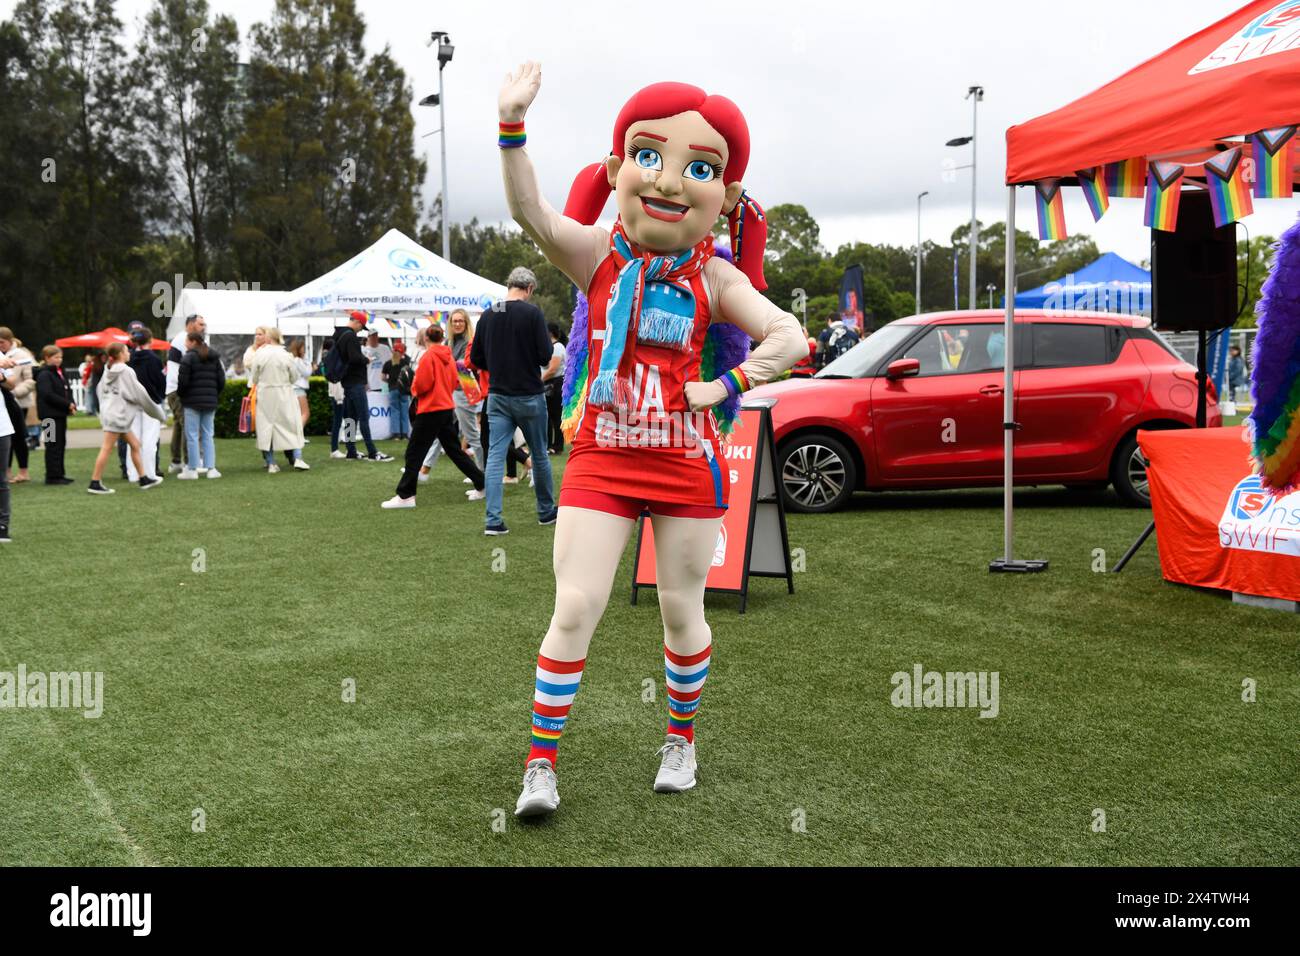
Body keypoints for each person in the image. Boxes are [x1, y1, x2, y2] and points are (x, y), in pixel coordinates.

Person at [498, 66, 805, 816]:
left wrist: (726, 387)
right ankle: (541, 765)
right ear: (614, 171)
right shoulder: (598, 257)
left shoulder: (717, 278)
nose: (670, 182)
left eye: (700, 169)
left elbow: (791, 334)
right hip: (603, 459)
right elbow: (531, 211)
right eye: (650, 156)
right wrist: (512, 126)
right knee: (574, 606)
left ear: (726, 199)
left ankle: (681, 742)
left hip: (683, 463)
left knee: (680, 609)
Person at [470, 266, 555, 535]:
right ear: (529, 289)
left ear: (509, 285)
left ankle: (493, 520)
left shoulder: (489, 314)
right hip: (529, 393)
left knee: (495, 457)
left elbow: (476, 359)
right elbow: (545, 356)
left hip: (497, 395)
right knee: (539, 453)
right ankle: (545, 511)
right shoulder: (532, 313)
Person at [381, 326, 485, 509]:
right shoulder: (448, 356)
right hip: (446, 408)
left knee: (414, 453)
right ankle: (482, 484)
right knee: (454, 451)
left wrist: (414, 389)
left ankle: (406, 496)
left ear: (425, 338)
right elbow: (455, 381)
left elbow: (421, 384)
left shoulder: (428, 357)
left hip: (430, 409)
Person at [88, 343, 165, 493]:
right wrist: (158, 413)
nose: (129, 353)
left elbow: (99, 390)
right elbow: (139, 393)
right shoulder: (126, 371)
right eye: (126, 350)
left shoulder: (108, 369)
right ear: (120, 354)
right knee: (107, 448)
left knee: (135, 445)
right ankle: (95, 482)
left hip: (113, 415)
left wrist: (103, 410)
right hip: (119, 416)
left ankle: (143, 479)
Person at [248, 327, 309, 474]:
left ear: (268, 338)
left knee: (266, 428)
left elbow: (254, 377)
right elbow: (294, 377)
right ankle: (298, 458)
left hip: (265, 395)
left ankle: (271, 463)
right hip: (285, 393)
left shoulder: (260, 354)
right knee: (292, 424)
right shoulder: (286, 355)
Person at [334, 312, 393, 462]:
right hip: (355, 382)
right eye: (361, 327)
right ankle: (372, 452)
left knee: (350, 418)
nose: (361, 331)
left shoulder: (340, 334)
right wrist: (366, 359)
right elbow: (354, 358)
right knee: (363, 418)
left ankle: (351, 450)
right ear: (359, 323)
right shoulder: (350, 336)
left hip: (347, 382)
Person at [177, 331, 226, 479]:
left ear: (192, 341)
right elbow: (221, 381)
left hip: (191, 402)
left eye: (186, 340)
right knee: (208, 435)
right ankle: (211, 468)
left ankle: (192, 469)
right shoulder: (214, 357)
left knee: (191, 436)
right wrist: (213, 394)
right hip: (210, 401)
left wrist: (182, 396)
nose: (185, 342)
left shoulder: (188, 358)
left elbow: (183, 383)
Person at [123, 321, 166, 483]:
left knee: (133, 440)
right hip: (151, 402)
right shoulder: (154, 359)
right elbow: (161, 382)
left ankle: (133, 473)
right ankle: (148, 473)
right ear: (151, 340)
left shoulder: (130, 358)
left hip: (132, 402)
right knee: (149, 440)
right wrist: (159, 396)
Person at [165, 314, 207, 473]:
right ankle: (191, 463)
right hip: (179, 389)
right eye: (200, 324)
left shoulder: (181, 338)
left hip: (174, 388)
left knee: (179, 425)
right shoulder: (185, 339)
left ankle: (176, 462)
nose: (203, 327)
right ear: (190, 325)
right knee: (188, 425)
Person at [35, 346, 75, 485]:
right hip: (49, 417)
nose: (59, 360)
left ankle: (59, 473)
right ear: (47, 358)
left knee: (60, 444)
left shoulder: (59, 372)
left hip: (59, 415)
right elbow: (47, 394)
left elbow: (66, 390)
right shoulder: (44, 374)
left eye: (60, 357)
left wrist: (71, 403)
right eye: (56, 357)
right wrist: (66, 404)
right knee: (52, 444)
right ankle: (52, 476)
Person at [0, 329, 34, 484]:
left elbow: (30, 380)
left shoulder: (23, 355)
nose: (1, 346)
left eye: (2, 342)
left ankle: (23, 471)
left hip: (16, 400)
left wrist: (15, 392)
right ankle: (6, 472)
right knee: (5, 437)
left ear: (10, 340)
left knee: (19, 437)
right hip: (4, 399)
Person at [542, 321, 567, 454]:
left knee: (556, 416)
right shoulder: (549, 347)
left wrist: (539, 381)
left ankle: (557, 446)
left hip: (555, 384)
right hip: (548, 384)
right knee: (547, 416)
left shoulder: (557, 347)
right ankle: (548, 445)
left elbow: (553, 369)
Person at [320, 338, 347, 458]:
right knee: (339, 420)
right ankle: (335, 448)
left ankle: (347, 447)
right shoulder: (334, 359)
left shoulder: (331, 358)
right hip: (339, 393)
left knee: (344, 419)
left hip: (339, 392)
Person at [382, 341, 412, 440]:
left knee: (395, 411)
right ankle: (404, 433)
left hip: (392, 388)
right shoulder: (406, 363)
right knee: (404, 411)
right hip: (404, 389)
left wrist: (389, 381)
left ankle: (396, 434)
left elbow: (382, 377)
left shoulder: (388, 363)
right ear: (403, 352)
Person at [288, 338, 312, 433]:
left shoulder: (293, 359)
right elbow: (307, 372)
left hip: (293, 389)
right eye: (302, 348)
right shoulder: (297, 360)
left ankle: (296, 435)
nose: (304, 350)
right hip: (298, 389)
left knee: (297, 414)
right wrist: (307, 361)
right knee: (305, 413)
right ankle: (296, 434)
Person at [362, 329, 392, 394]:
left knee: (384, 403)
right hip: (371, 385)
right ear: (368, 338)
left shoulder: (385, 348)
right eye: (372, 336)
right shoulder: (364, 351)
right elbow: (362, 370)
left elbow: (391, 363)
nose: (374, 338)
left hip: (384, 384)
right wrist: (365, 383)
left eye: (376, 336)